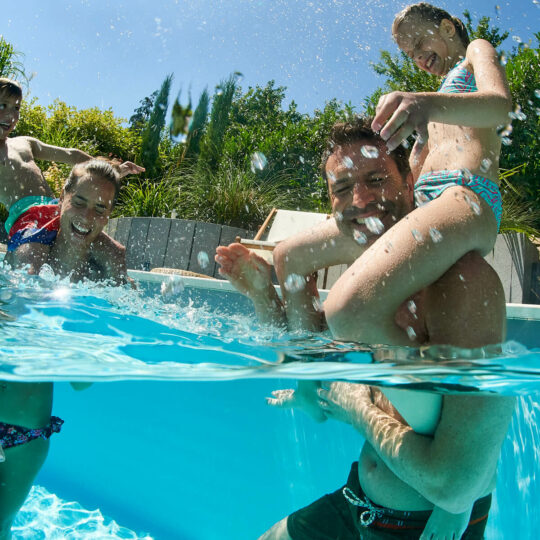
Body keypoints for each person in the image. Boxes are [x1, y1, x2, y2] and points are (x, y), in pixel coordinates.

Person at [216, 117, 516, 539]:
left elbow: (456, 477)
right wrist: (266, 297)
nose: (360, 200)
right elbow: (315, 357)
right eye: (342, 189)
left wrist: (355, 406)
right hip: (358, 501)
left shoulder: (462, 281)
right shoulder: (367, 276)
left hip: (421, 528)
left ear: (410, 183)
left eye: (376, 178)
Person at [0, 78, 144, 274]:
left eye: (16, 108)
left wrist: (110, 170)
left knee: (115, 252)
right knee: (29, 267)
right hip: (28, 217)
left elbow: (72, 155)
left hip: (60, 211)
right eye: (3, 105)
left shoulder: (24, 142)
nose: (11, 115)